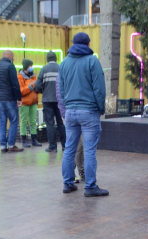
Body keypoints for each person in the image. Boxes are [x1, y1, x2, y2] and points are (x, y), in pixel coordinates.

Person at [57, 32, 108, 197]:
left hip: (70, 112)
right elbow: (99, 88)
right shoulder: (92, 61)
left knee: (69, 148)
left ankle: (68, 183)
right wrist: (100, 108)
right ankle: (90, 186)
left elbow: (61, 90)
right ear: (88, 43)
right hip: (88, 111)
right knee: (89, 150)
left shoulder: (64, 63)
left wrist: (65, 109)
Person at [0, 50, 23, 153]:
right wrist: (19, 98)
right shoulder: (10, 66)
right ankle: (11, 144)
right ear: (10, 57)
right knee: (14, 120)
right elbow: (14, 84)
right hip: (9, 98)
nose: (14, 59)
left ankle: (3, 146)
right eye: (13, 57)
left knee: (2, 122)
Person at [35, 51, 65, 152]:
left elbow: (38, 86)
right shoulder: (61, 68)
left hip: (47, 100)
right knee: (61, 123)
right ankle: (65, 145)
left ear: (47, 59)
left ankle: (52, 147)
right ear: (56, 58)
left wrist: (42, 90)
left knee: (50, 123)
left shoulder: (44, 69)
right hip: (59, 100)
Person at [17, 59, 41, 148]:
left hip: (34, 102)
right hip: (25, 103)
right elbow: (21, 91)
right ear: (26, 67)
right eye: (30, 66)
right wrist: (31, 86)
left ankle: (34, 139)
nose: (32, 67)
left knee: (33, 121)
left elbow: (37, 87)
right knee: (23, 121)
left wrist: (37, 87)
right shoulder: (20, 77)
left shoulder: (34, 76)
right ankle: (23, 140)